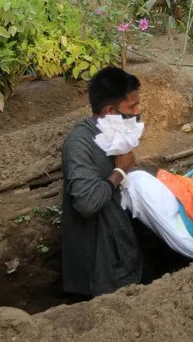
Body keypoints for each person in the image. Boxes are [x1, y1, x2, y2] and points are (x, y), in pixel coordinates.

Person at [61, 67, 143, 298]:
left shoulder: (117, 135)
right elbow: (87, 202)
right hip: (98, 270)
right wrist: (119, 171)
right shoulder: (79, 144)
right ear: (110, 111)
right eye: (132, 106)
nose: (138, 112)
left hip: (120, 252)